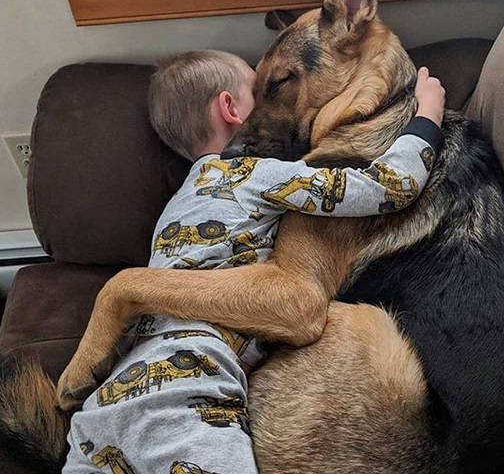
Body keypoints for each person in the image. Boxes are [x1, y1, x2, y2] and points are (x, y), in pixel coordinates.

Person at [62, 50, 445, 474]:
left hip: (107, 401)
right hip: (191, 382)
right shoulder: (255, 172)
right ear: (231, 109)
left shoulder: (177, 206)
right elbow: (390, 186)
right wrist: (426, 115)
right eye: (260, 93)